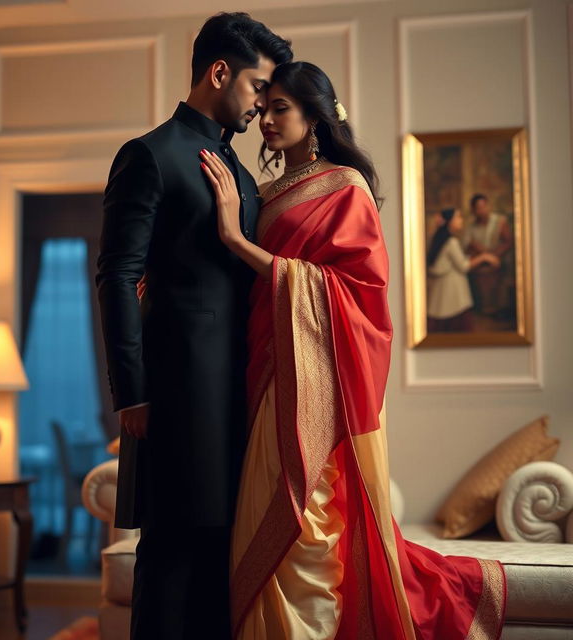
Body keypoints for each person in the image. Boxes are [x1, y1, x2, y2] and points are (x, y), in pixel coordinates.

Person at [201, 61, 506, 640]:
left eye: (280, 107)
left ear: (315, 114)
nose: (265, 118)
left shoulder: (344, 186)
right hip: (263, 368)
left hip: (314, 377)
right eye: (262, 107)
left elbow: (358, 291)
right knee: (258, 517)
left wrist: (237, 242)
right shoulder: (261, 192)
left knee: (305, 517)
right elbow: (242, 284)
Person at [95, 13, 292, 640]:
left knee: (222, 556)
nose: (262, 104)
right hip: (176, 393)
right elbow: (117, 276)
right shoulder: (149, 155)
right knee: (173, 553)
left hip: (241, 389)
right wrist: (133, 392)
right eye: (258, 87)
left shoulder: (237, 171)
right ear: (219, 72)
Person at [427, 208, 500, 332]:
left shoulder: (443, 240)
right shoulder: (451, 242)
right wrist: (484, 257)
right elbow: (464, 265)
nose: (461, 220)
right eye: (458, 217)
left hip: (444, 294)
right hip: (453, 296)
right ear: (450, 221)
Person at [463, 193, 513, 316]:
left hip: (499, 259)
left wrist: (494, 256)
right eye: (478, 208)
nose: (482, 210)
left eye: (484, 206)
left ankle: (497, 307)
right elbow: (469, 246)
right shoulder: (471, 227)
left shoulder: (499, 221)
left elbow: (508, 242)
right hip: (481, 260)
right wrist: (483, 254)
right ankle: (482, 307)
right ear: (473, 210)